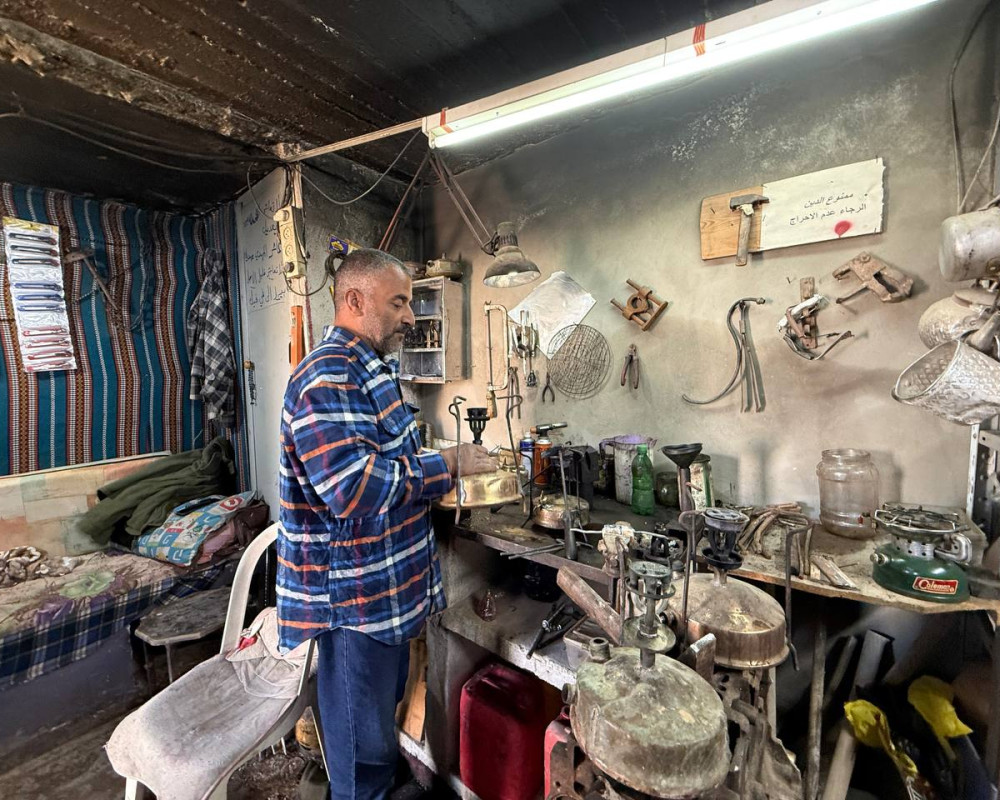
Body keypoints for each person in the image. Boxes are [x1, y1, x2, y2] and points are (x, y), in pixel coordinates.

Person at [277, 248, 494, 800]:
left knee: (377, 731)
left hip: (386, 597)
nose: (410, 316)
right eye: (398, 302)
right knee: (361, 754)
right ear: (355, 300)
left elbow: (390, 459)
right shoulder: (326, 376)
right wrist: (448, 464)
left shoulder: (369, 369)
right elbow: (353, 488)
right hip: (356, 605)